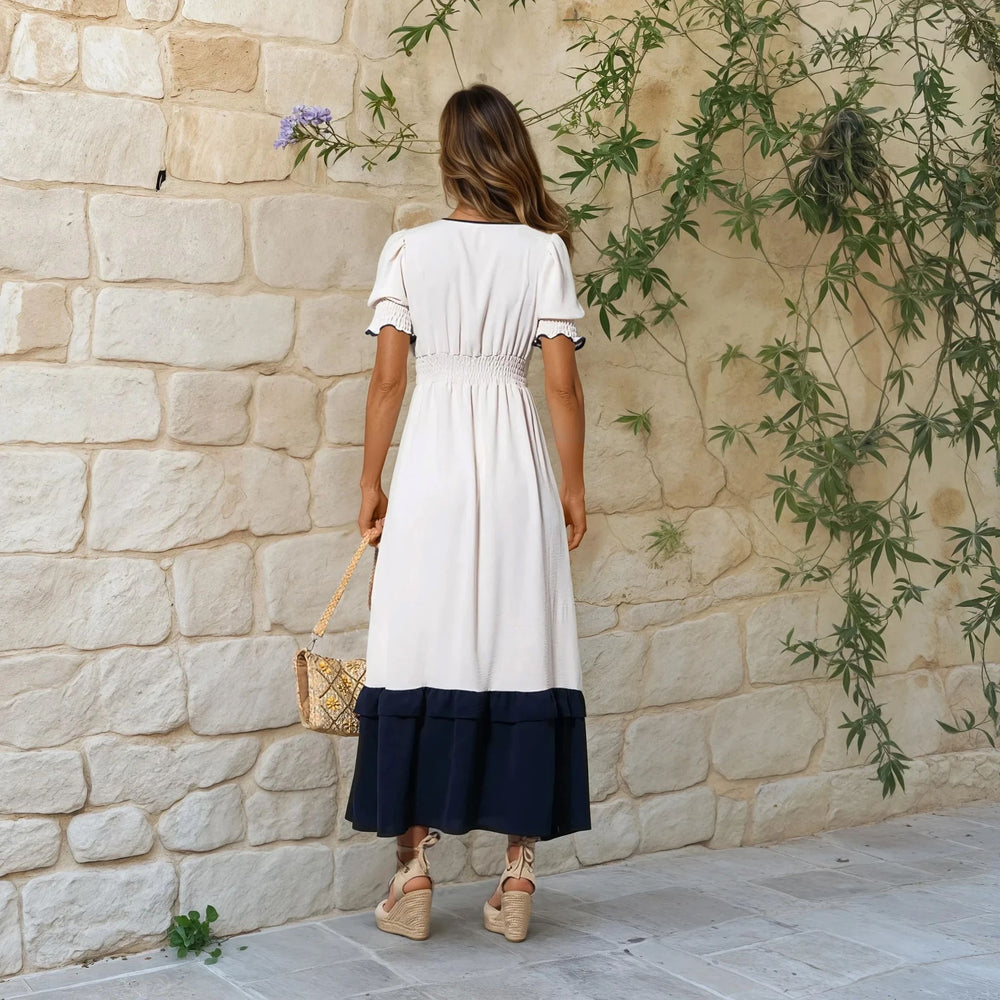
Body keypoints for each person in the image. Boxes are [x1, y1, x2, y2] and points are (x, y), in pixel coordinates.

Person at [344, 82, 591, 944]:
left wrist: (370, 481)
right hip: (517, 464)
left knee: (418, 643)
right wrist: (573, 486)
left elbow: (388, 381)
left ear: (450, 158)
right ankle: (516, 880)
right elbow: (561, 386)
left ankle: (412, 873)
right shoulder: (543, 253)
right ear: (511, 153)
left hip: (432, 464)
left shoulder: (408, 250)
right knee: (524, 641)